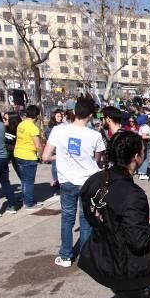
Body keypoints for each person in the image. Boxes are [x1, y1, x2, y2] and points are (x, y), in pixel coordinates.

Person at [78, 131, 150, 298]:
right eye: (142, 151)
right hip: (127, 266)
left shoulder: (95, 179)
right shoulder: (132, 194)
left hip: (104, 255)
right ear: (137, 156)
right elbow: (138, 240)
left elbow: (89, 210)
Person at [42, 97, 106, 267]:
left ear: (74, 111)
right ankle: (85, 257)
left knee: (67, 219)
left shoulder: (58, 130)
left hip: (67, 182)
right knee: (86, 219)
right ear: (90, 115)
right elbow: (98, 160)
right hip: (88, 182)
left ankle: (65, 255)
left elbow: (45, 157)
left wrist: (61, 156)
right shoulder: (95, 135)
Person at [14, 105, 43, 210]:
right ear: (37, 116)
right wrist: (42, 154)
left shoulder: (21, 124)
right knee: (29, 181)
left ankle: (26, 198)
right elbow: (38, 145)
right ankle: (29, 203)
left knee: (24, 180)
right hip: (28, 156)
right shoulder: (33, 128)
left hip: (18, 154)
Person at [45, 110, 65, 190]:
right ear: (54, 117)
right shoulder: (50, 128)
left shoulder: (61, 125)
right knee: (54, 165)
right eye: (58, 116)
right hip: (54, 149)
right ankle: (55, 180)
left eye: (61, 116)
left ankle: (60, 180)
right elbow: (50, 139)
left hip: (61, 148)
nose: (60, 118)